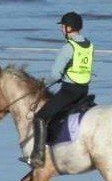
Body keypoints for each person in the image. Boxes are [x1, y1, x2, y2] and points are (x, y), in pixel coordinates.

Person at [23, 11, 94, 167]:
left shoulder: (68, 48)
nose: (61, 30)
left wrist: (41, 86)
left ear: (69, 28)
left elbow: (55, 75)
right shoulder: (89, 45)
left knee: (40, 117)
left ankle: (38, 156)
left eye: (63, 27)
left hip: (69, 91)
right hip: (84, 90)